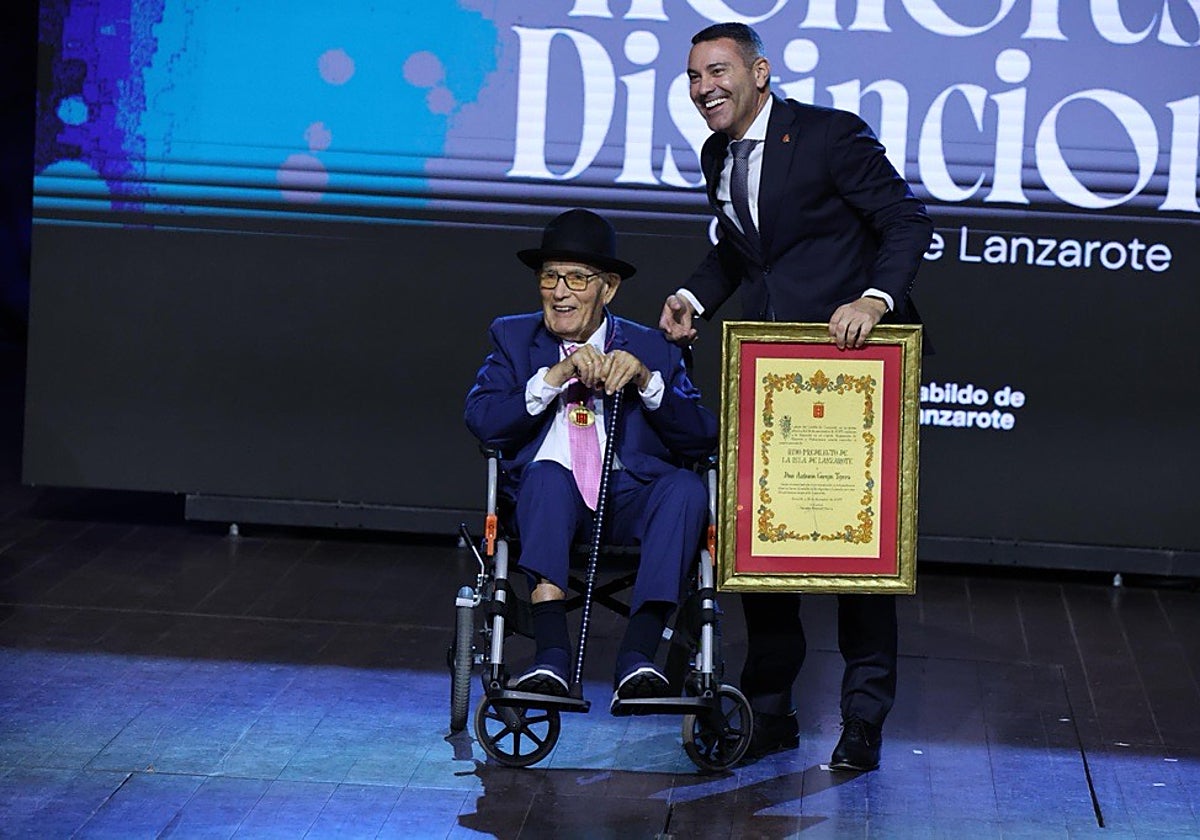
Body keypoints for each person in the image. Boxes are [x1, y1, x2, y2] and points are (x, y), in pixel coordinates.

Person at [659, 22, 934, 771]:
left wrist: (875, 299)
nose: (703, 87)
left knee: (858, 556)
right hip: (774, 379)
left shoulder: (828, 136)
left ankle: (862, 722)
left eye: (717, 71)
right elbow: (742, 247)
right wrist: (694, 295)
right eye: (692, 76)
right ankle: (771, 712)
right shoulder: (719, 153)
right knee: (767, 548)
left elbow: (905, 221)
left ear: (760, 72)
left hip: (857, 375)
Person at [466, 208, 718, 711]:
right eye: (550, 276)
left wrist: (648, 383)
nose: (560, 291)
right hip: (548, 501)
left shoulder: (652, 347)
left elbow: (703, 438)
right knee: (545, 477)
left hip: (627, 495)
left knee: (687, 489)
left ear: (609, 288)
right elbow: (484, 420)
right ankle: (552, 659)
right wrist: (553, 377)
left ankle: (638, 660)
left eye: (577, 278)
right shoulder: (514, 338)